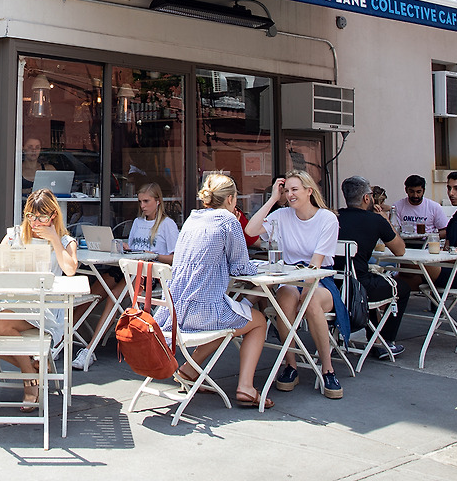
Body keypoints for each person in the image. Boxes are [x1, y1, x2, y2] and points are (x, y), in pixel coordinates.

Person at [153, 173, 273, 408]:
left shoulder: (192, 218)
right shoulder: (229, 221)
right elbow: (240, 267)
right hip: (203, 312)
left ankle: (189, 369)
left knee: (229, 319)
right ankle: (246, 387)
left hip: (175, 311)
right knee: (258, 321)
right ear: (230, 199)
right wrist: (261, 267)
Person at [0, 189, 78, 411]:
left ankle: (29, 381)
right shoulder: (14, 235)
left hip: (43, 305)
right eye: (30, 216)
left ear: (53, 216)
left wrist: (54, 239)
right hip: (9, 299)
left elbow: (70, 269)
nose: (35, 223)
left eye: (41, 217)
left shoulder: (65, 241)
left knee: (2, 323)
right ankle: (33, 367)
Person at [244, 169, 344, 400]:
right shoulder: (282, 215)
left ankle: (327, 368)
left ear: (309, 191)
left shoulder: (327, 218)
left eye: (295, 189)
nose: (290, 194)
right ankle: (291, 365)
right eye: (286, 190)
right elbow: (250, 231)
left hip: (320, 279)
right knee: (285, 300)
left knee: (310, 302)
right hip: (289, 278)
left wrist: (304, 293)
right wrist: (273, 198)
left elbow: (316, 265)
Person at [73, 183, 178, 371]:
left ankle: (89, 350)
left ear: (158, 201)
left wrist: (153, 255)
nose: (142, 206)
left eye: (146, 201)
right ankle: (60, 339)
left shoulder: (167, 225)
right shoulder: (137, 222)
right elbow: (132, 249)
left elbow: (175, 258)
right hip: (128, 266)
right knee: (95, 290)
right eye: (140, 202)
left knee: (114, 296)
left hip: (150, 272)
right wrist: (125, 248)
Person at [397, 171, 457, 316]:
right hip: (452, 270)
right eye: (449, 188)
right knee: (401, 278)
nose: (451, 193)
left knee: (412, 263)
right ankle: (380, 315)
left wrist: (429, 260)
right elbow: (447, 249)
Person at [336, 175, 407, 359]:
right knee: (402, 287)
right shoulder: (375, 220)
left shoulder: (333, 217)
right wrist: (385, 219)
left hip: (332, 285)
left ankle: (373, 338)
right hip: (358, 288)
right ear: (366, 198)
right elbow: (400, 250)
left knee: (373, 280)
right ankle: (384, 342)